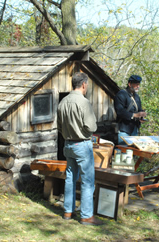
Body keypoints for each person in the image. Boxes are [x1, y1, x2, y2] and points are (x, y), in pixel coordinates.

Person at [57, 72, 103, 226]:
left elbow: (59, 127)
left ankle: (68, 211)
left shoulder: (62, 102)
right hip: (82, 144)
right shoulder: (83, 103)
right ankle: (86, 216)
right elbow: (91, 127)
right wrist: (83, 132)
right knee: (87, 181)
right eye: (87, 85)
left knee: (70, 179)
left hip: (68, 144)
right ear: (84, 84)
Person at [114, 75, 147, 145]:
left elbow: (139, 109)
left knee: (134, 153)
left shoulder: (137, 97)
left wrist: (141, 117)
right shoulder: (121, 94)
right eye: (136, 84)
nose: (138, 86)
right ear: (130, 84)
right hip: (124, 130)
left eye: (139, 84)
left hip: (134, 129)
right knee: (124, 153)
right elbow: (120, 112)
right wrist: (135, 115)